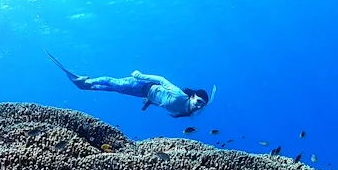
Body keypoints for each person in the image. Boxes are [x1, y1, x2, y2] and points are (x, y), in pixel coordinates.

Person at [45, 50, 215, 118]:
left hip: (145, 94)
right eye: (198, 101)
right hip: (142, 85)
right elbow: (162, 80)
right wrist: (141, 75)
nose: (199, 106)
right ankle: (86, 81)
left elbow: (163, 100)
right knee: (113, 82)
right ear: (192, 97)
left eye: (202, 105)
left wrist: (149, 102)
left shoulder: (185, 112)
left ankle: (85, 85)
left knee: (114, 89)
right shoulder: (180, 95)